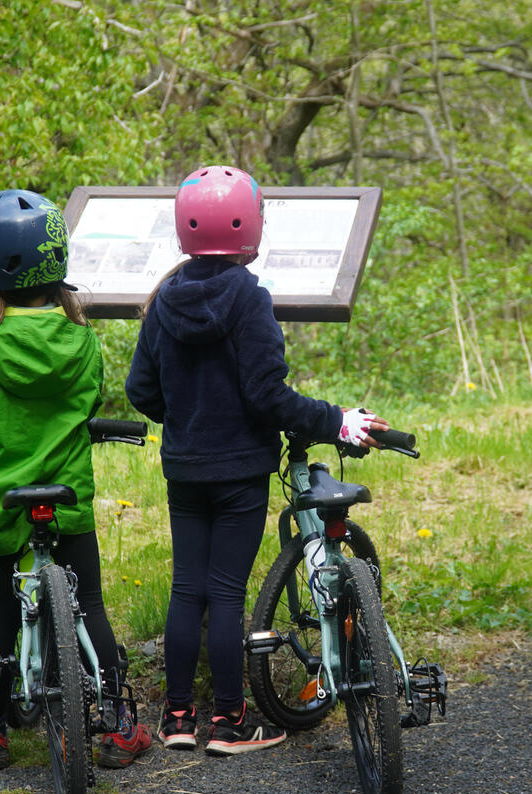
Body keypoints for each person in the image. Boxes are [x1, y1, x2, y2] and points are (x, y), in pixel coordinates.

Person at [124, 165, 387, 756]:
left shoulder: (164, 300)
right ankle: (231, 720)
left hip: (185, 469)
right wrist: (336, 418)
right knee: (226, 592)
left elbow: (141, 391)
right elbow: (269, 396)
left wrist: (187, 417)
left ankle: (177, 719)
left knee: (186, 589)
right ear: (250, 228)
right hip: (240, 471)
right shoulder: (250, 298)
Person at [0, 189, 151, 771]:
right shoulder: (81, 342)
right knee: (91, 604)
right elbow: (85, 403)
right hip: (64, 495)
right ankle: (120, 721)